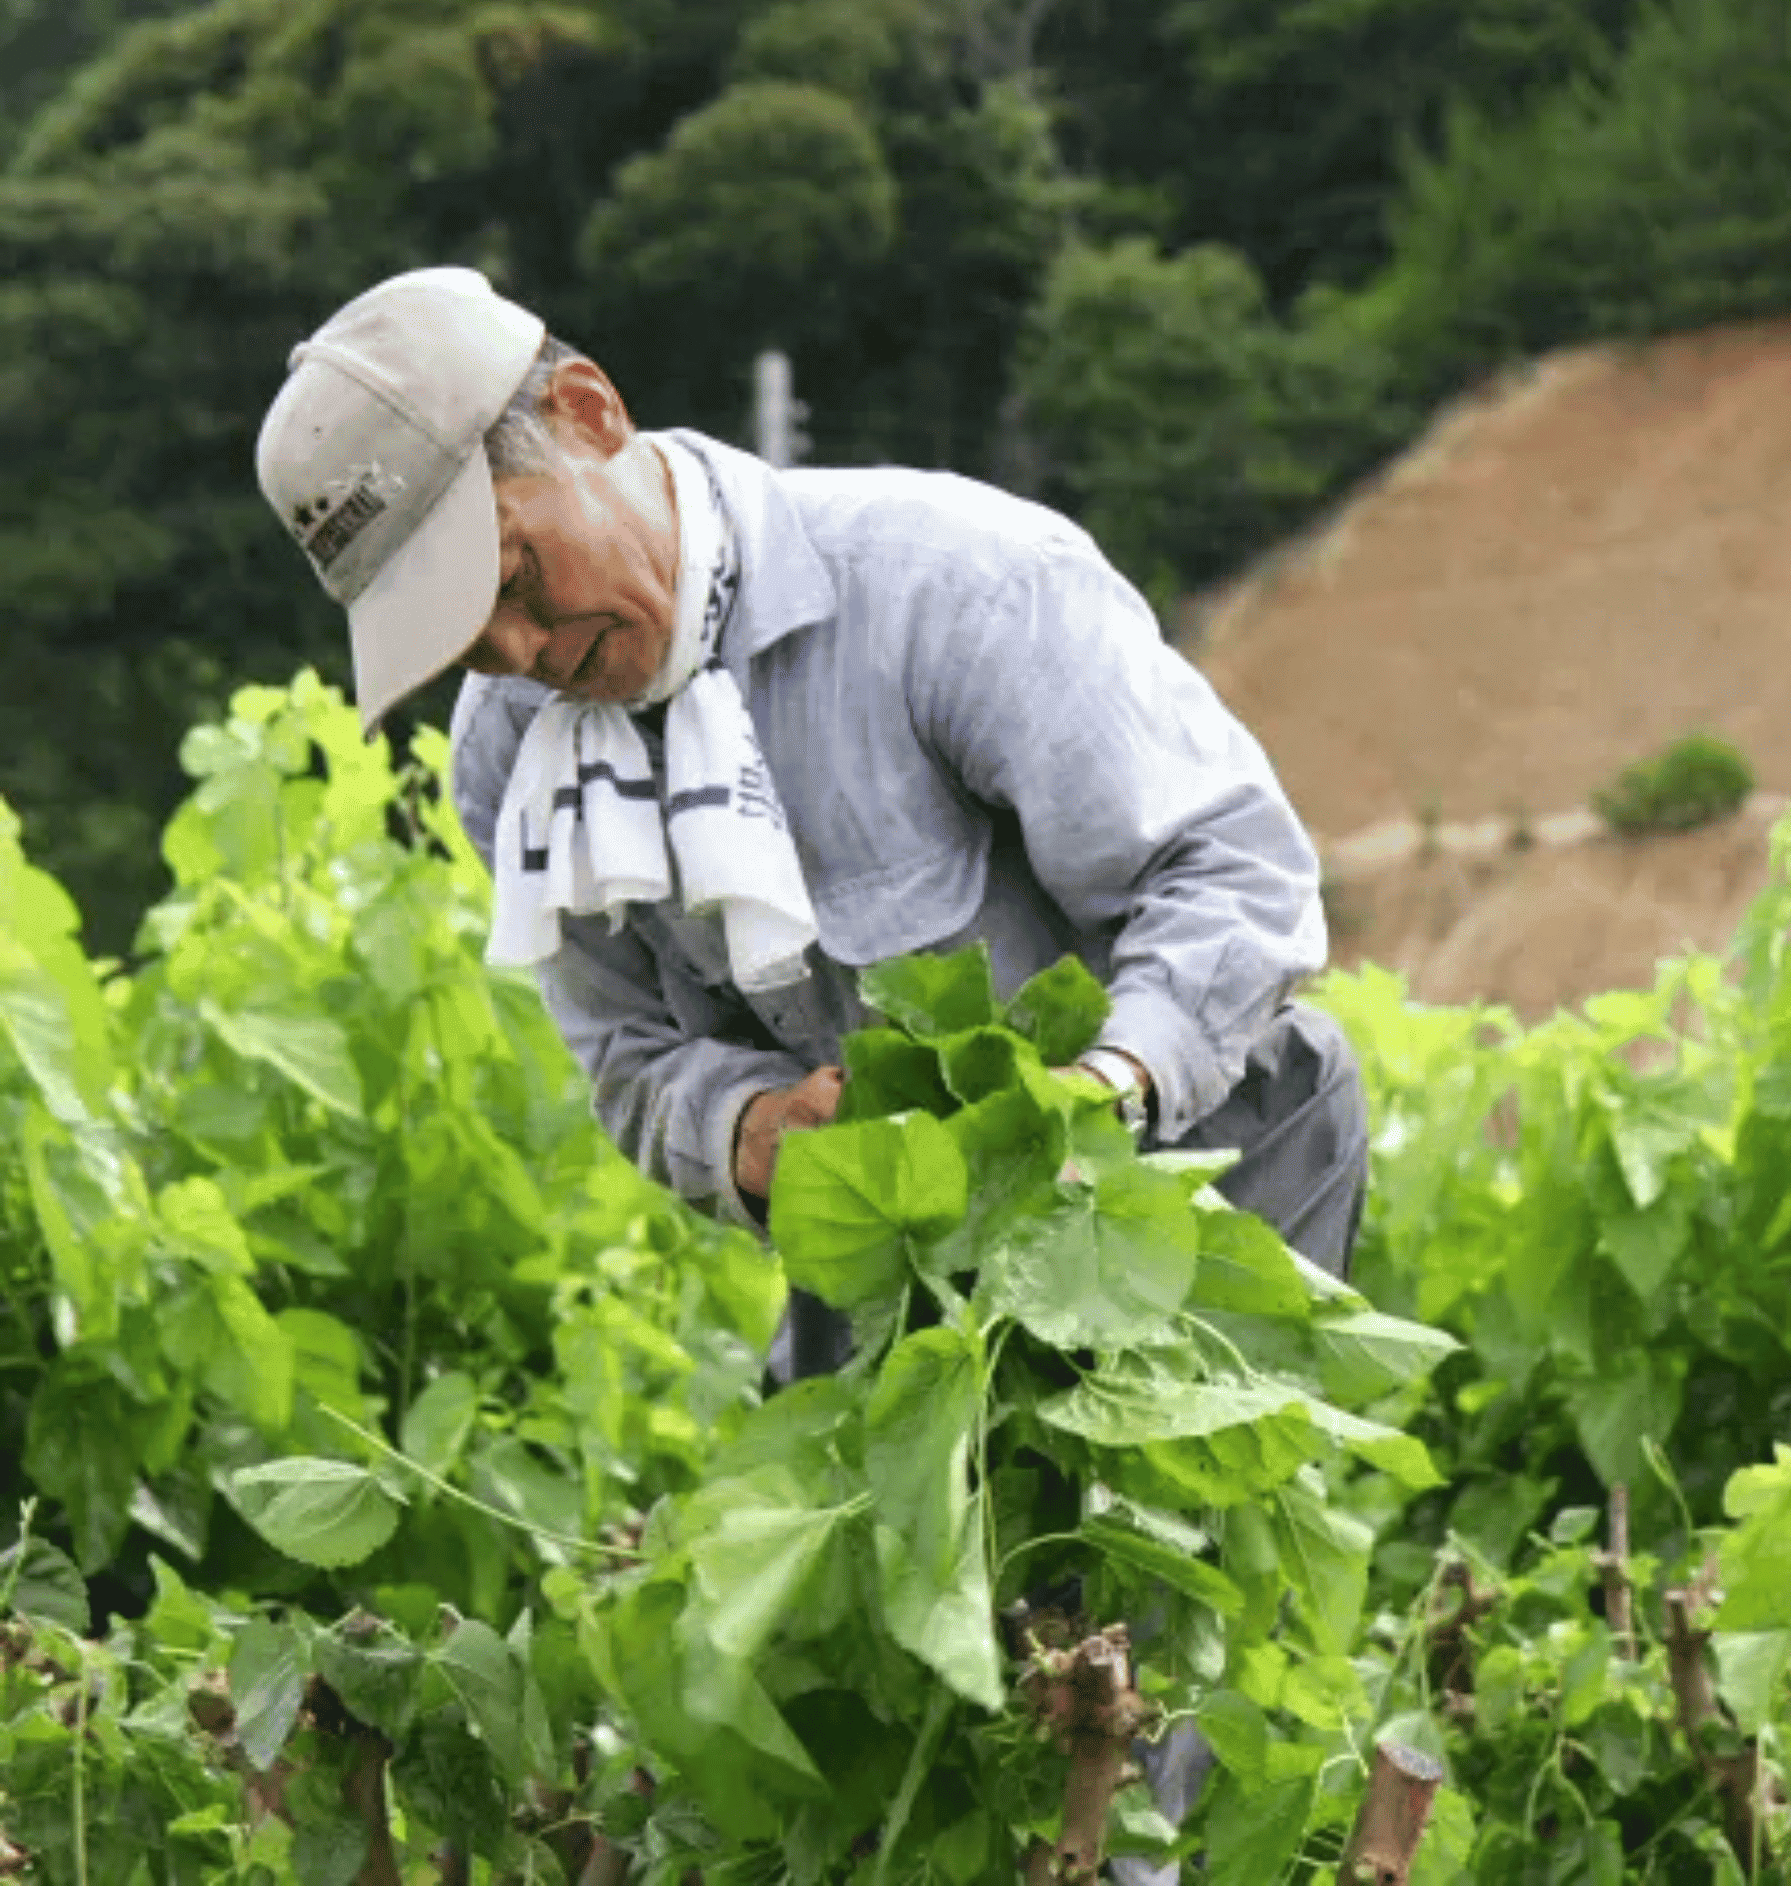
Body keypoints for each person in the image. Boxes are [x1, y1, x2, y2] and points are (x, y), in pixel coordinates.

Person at [254, 266, 1369, 1385]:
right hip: (904, 1246)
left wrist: (1099, 1092)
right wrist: (746, 1131)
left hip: (1198, 1165)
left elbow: (1228, 870)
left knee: (1157, 1544)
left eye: (516, 575)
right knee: (880, 1546)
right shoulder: (517, 758)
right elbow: (628, 1055)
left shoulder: (945, 585)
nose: (521, 650)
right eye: (462, 637)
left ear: (587, 414)